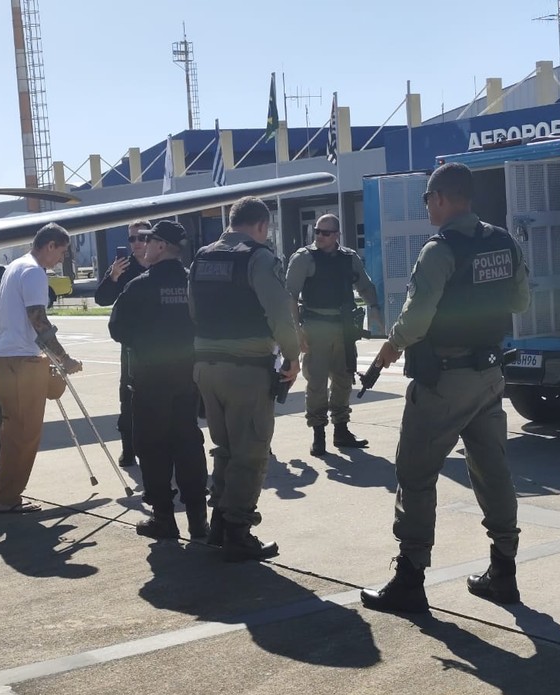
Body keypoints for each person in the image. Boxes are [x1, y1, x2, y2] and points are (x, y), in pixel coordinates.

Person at [360, 162, 530, 613]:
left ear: (439, 198)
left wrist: (392, 345)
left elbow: (416, 320)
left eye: (427, 201)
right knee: (493, 472)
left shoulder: (440, 249)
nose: (428, 208)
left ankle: (410, 578)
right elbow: (520, 300)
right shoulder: (503, 241)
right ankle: (504, 571)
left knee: (415, 475)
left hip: (445, 380)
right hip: (490, 376)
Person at [189, 196, 301, 562]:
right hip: (246, 367)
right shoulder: (260, 257)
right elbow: (280, 313)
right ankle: (238, 531)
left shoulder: (202, 256)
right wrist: (293, 356)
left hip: (207, 367)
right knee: (250, 451)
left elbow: (193, 309)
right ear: (262, 226)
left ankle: (220, 522)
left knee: (224, 448)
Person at [108, 220, 209, 540]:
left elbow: (117, 330)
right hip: (187, 378)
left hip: (151, 380)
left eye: (149, 241)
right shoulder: (196, 283)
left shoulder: (140, 285)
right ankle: (198, 521)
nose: (143, 246)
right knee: (189, 444)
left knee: (152, 448)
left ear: (162, 246)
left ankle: (163, 518)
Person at [0, 223, 82, 514]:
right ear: (50, 246)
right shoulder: (33, 272)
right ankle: (8, 498)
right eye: (61, 252)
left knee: (12, 429)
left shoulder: (14, 267)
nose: (60, 259)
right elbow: (38, 320)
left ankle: (6, 494)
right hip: (22, 359)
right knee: (24, 433)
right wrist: (64, 357)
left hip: (4, 356)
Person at [285, 213, 385, 456]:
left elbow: (365, 285)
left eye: (325, 232)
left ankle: (341, 430)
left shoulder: (348, 258)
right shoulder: (304, 258)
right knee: (316, 382)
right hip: (315, 327)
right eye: (317, 231)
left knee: (343, 379)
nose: (319, 236)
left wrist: (374, 309)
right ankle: (318, 433)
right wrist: (296, 331)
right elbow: (289, 295)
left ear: (337, 235)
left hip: (343, 328)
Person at [94, 220, 149, 468]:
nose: (136, 243)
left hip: (164, 345)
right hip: (131, 346)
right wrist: (113, 276)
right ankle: (128, 449)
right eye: (131, 239)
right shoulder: (124, 268)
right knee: (128, 398)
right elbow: (102, 298)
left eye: (141, 237)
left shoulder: (164, 264)